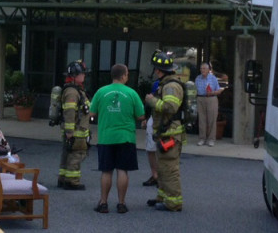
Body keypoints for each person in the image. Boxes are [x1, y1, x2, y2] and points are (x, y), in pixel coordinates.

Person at [89, 63, 145, 214]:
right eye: (127, 74)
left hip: (106, 137)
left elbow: (91, 113)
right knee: (122, 170)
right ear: (124, 76)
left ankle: (103, 203)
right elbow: (140, 116)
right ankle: (121, 203)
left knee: (106, 171)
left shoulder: (101, 92)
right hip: (126, 137)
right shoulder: (131, 93)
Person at [144, 50, 185, 212]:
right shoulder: (166, 84)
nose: (154, 72)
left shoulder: (171, 86)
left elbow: (170, 107)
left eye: (156, 69)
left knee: (169, 169)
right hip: (166, 134)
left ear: (160, 70)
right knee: (162, 168)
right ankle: (162, 197)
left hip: (171, 135)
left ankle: (174, 203)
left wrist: (152, 101)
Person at [58, 60, 90, 190]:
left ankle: (63, 178)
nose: (84, 76)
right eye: (83, 74)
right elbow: (70, 112)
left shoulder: (74, 90)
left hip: (73, 130)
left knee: (67, 153)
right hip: (76, 131)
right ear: (76, 75)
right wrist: (70, 131)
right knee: (77, 154)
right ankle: (72, 181)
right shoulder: (72, 92)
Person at [195, 61, 221, 146]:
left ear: (208, 69)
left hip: (211, 99)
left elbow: (219, 90)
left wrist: (212, 92)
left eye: (204, 68)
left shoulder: (213, 78)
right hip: (200, 99)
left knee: (212, 120)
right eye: (201, 68)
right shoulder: (198, 78)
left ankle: (211, 139)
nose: (202, 70)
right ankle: (202, 138)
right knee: (202, 120)